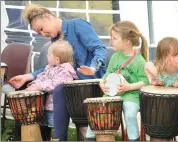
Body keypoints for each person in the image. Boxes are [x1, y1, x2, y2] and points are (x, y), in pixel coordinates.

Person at [7, 3, 107, 141]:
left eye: (41, 29)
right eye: (39, 33)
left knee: (59, 88)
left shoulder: (77, 25)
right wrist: (28, 77)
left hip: (91, 82)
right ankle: (33, 134)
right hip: (71, 85)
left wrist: (93, 67)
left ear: (48, 16)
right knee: (33, 88)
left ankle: (58, 138)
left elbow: (99, 49)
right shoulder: (54, 40)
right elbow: (50, 68)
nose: (43, 34)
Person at [88, 20, 149, 141]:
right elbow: (108, 73)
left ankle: (133, 139)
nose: (111, 41)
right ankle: (89, 138)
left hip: (131, 95)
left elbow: (146, 81)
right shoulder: (115, 57)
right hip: (111, 94)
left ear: (127, 41)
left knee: (130, 114)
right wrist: (102, 82)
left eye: (114, 38)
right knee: (96, 111)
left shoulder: (139, 60)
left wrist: (129, 87)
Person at [25, 40, 78, 140]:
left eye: (49, 55)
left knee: (57, 129)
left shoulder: (66, 71)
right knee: (44, 126)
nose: (47, 56)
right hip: (46, 104)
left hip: (56, 107)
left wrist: (40, 86)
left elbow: (55, 84)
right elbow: (41, 77)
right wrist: (34, 84)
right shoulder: (49, 67)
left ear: (57, 59)